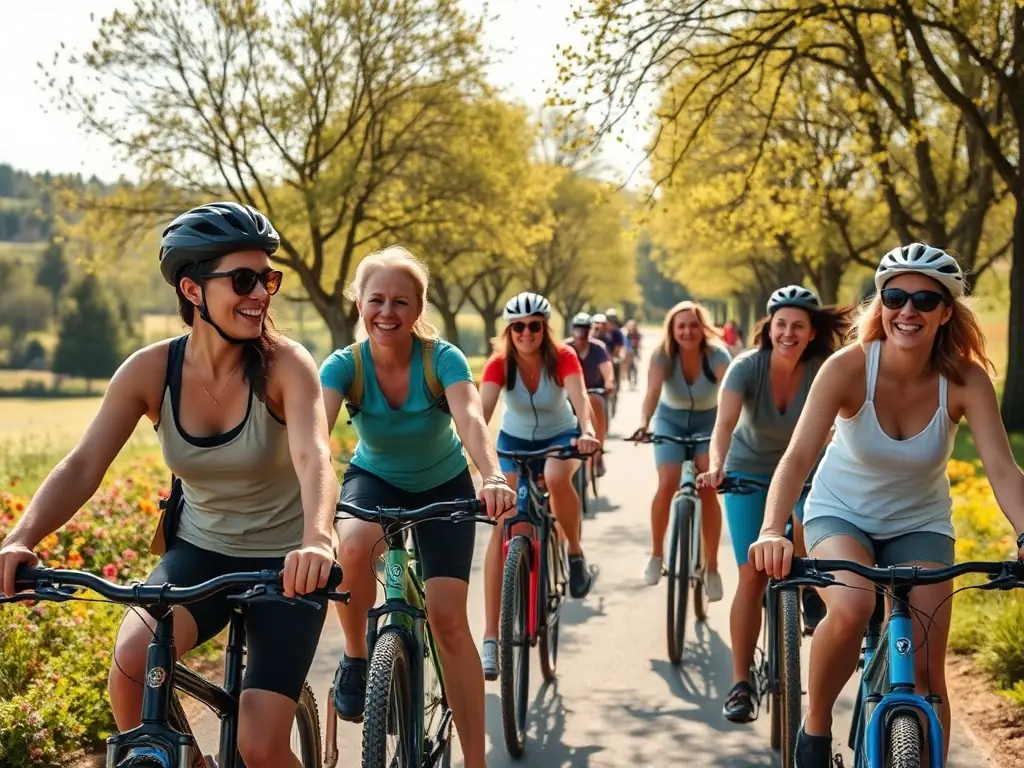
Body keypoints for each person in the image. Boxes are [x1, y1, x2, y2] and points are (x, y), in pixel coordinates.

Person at [0, 201, 338, 768]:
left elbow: (314, 456)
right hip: (200, 554)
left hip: (288, 564)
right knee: (131, 668)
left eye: (268, 278)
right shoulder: (151, 371)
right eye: (244, 279)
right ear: (193, 289)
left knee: (259, 746)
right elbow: (83, 465)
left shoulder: (286, 365)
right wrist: (20, 538)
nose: (261, 293)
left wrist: (319, 540)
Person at [749, 244, 1024, 767]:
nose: (908, 311)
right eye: (895, 296)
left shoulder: (965, 381)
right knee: (852, 608)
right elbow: (798, 456)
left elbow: (1005, 471)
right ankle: (813, 730)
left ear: (946, 312)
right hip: (840, 512)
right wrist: (771, 530)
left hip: (920, 522)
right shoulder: (848, 368)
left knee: (925, 675)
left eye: (925, 300)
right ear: (880, 304)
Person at [318, 246, 515, 768]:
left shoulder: (441, 358)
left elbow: (471, 418)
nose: (387, 312)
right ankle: (360, 658)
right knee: (352, 544)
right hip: (374, 479)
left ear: (418, 307)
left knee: (449, 622)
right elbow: (314, 437)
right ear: (359, 303)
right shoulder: (345, 366)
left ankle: (476, 759)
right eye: (376, 299)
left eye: (401, 302)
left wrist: (491, 475)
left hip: (442, 485)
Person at [698, 285, 851, 724]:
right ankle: (741, 683)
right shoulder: (746, 368)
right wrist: (717, 465)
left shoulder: (825, 369)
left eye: (798, 326)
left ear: (810, 332)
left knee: (805, 525)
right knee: (752, 573)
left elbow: (840, 426)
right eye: (781, 324)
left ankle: (807, 591)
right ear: (769, 328)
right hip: (747, 472)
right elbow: (723, 425)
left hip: (808, 474)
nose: (788, 332)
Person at [478, 292, 601, 679]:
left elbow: (580, 398)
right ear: (509, 330)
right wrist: (472, 454)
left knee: (553, 476)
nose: (526, 333)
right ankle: (491, 639)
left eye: (534, 325)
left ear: (544, 329)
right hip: (513, 443)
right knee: (501, 523)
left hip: (560, 437)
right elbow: (478, 415)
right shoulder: (500, 364)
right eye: (518, 326)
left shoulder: (562, 356)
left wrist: (589, 430)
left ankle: (575, 554)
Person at [635, 301, 730, 600]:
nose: (687, 331)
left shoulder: (717, 355)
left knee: (707, 485)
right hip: (669, 420)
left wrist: (736, 430)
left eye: (693, 325)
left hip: (708, 422)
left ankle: (712, 568)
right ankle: (655, 555)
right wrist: (643, 423)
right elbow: (652, 393)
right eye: (681, 326)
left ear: (703, 328)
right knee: (667, 482)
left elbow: (731, 394)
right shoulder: (663, 355)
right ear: (672, 330)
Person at [565, 311, 616, 476]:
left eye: (585, 328)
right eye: (578, 328)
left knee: (595, 403)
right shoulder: (565, 348)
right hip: (568, 393)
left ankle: (598, 450)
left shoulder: (597, 348)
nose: (581, 332)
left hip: (593, 390)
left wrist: (609, 381)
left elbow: (606, 367)